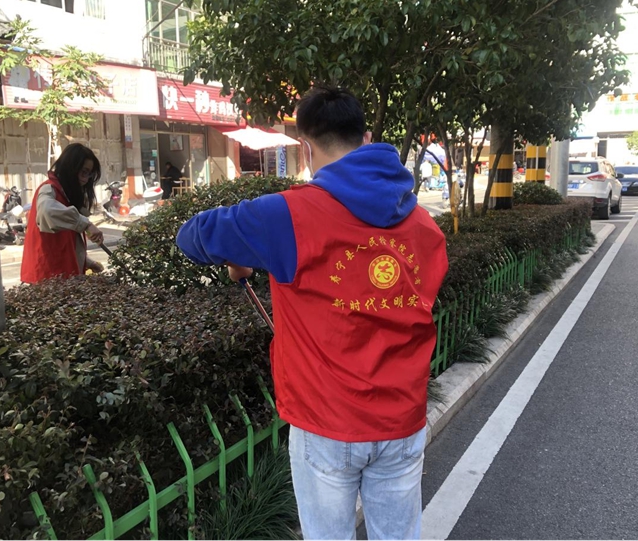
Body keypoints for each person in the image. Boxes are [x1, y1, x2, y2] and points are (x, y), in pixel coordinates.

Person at [176, 86, 448, 540]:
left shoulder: (287, 216)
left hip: (326, 423)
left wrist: (248, 253)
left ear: (304, 148)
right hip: (402, 419)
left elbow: (192, 235)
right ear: (366, 140)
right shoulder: (424, 226)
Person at [21, 143, 105, 284]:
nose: (85, 180)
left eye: (89, 174)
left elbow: (64, 244)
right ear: (71, 168)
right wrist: (86, 224)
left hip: (62, 278)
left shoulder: (65, 195)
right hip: (47, 278)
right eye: (83, 172)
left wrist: (87, 261)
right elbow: (48, 211)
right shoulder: (49, 189)